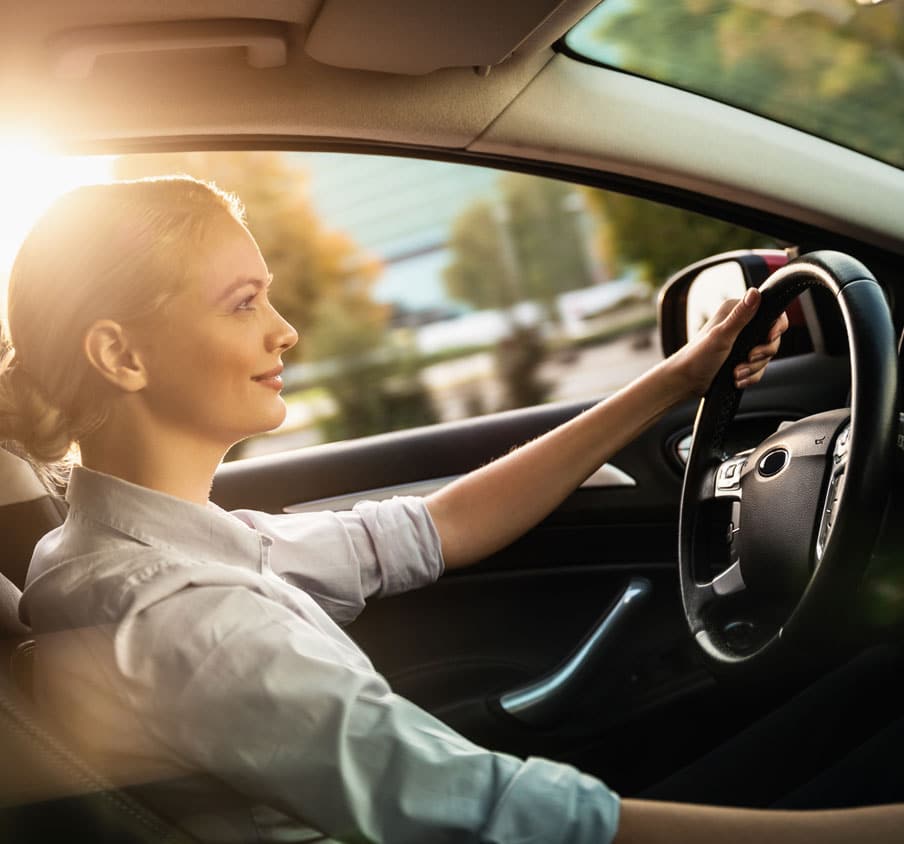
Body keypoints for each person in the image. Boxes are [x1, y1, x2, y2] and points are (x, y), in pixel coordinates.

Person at [0, 175, 901, 843]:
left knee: (869, 684)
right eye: (245, 303)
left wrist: (675, 379)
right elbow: (485, 815)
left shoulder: (118, 549)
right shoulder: (182, 616)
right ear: (121, 354)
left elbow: (436, 529)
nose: (286, 329)